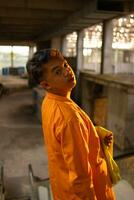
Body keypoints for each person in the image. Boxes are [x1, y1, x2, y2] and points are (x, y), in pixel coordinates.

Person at [26, 49, 116, 200]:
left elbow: (64, 141)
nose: (67, 71)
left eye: (65, 65)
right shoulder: (69, 118)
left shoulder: (50, 101)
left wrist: (93, 135)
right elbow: (81, 179)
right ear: (46, 84)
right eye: (57, 71)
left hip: (63, 187)